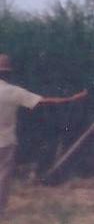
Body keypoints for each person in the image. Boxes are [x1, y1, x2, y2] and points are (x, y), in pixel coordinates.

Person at [0, 53, 88, 214]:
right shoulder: (13, 92)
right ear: (7, 73)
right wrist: (71, 99)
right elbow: (44, 101)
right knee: (3, 176)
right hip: (6, 142)